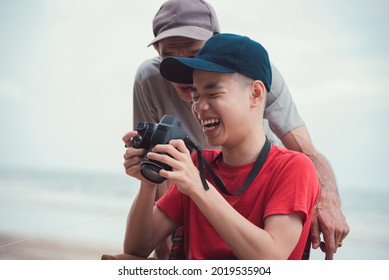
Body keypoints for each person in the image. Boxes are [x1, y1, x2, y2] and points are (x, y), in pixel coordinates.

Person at [132, 0, 349, 259]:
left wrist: (327, 198)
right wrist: (149, 180)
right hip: (202, 171)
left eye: (193, 54)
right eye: (196, 94)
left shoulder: (258, 77)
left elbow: (305, 153)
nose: (196, 102)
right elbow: (137, 246)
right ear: (157, 51)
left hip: (260, 177)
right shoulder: (150, 79)